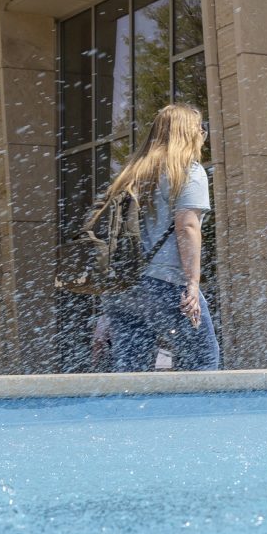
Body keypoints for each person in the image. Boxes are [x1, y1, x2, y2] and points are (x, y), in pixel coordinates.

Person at [92, 102, 221, 372]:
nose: (203, 135)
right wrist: (193, 285)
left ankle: (127, 413)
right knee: (204, 363)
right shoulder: (188, 171)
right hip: (166, 283)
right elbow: (187, 227)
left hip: (123, 288)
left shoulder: (132, 174)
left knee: (131, 373)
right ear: (189, 133)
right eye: (201, 129)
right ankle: (197, 415)